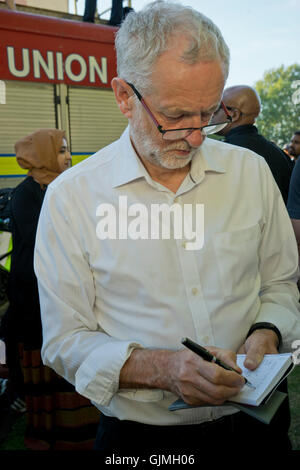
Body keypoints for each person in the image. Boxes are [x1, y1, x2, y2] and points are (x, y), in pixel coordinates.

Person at [35, 1, 300, 453]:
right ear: (123, 96)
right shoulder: (71, 198)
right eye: (175, 117)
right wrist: (161, 368)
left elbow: (279, 282)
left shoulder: (251, 173)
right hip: (141, 444)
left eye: (209, 114)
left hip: (258, 431)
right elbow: (65, 340)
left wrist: (267, 330)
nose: (196, 136)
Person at [5, 129, 100, 450]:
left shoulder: (58, 188)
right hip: (35, 303)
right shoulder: (27, 195)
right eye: (60, 151)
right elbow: (55, 242)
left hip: (60, 296)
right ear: (43, 156)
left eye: (67, 150)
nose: (68, 157)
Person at [213, 85, 294, 204]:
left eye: (216, 108)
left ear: (234, 115)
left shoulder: (223, 153)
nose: (211, 113)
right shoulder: (280, 155)